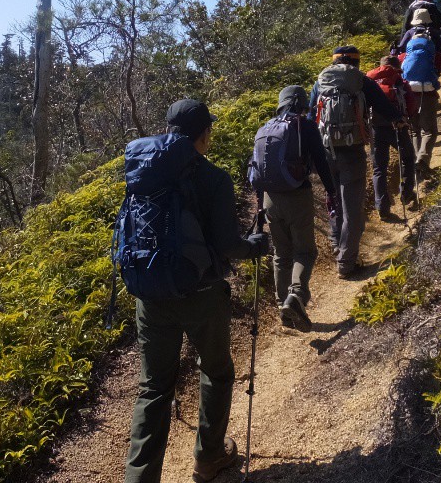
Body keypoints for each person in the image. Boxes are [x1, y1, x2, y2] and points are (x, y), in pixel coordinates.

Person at [124, 99, 270, 483]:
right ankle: (209, 458)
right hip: (202, 295)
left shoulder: (142, 170)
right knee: (217, 372)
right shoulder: (214, 178)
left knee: (154, 388)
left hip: (151, 295)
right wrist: (254, 245)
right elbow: (226, 245)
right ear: (203, 135)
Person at [308, 46, 403, 278]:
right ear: (356, 62)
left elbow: (311, 117)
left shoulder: (321, 81)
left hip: (326, 151)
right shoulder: (361, 81)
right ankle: (346, 263)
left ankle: (337, 245)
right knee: (351, 206)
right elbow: (381, 105)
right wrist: (398, 120)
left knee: (334, 200)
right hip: (352, 150)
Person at [249, 85, 336, 332]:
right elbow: (320, 159)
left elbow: (256, 168)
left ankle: (283, 309)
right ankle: (296, 297)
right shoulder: (304, 125)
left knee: (281, 254)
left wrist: (260, 205)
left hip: (270, 199)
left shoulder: (265, 128)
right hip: (297, 195)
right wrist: (331, 191)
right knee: (305, 252)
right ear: (301, 103)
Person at [400, 28, 441, 178]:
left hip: (409, 95)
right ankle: (422, 160)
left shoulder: (405, 56)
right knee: (429, 130)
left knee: (414, 130)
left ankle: (415, 167)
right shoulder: (432, 53)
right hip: (428, 95)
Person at [366, 56, 418, 220]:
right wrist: (405, 118)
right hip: (397, 127)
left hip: (375, 128)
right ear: (396, 68)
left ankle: (382, 206)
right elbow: (411, 106)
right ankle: (406, 194)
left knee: (379, 168)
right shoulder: (400, 82)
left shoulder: (369, 80)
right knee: (408, 158)